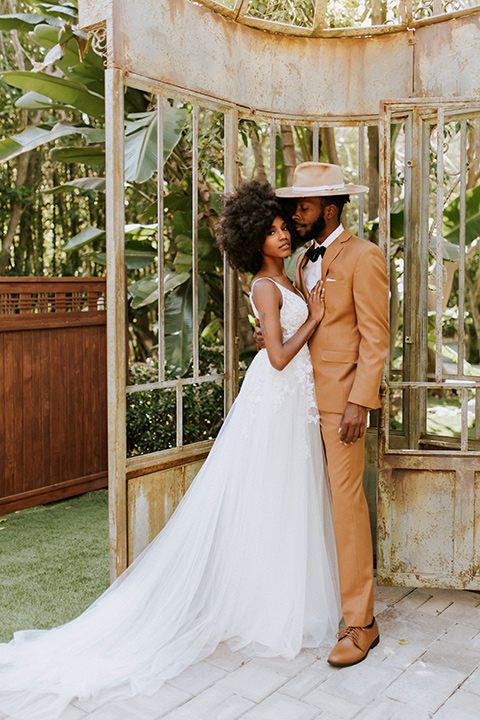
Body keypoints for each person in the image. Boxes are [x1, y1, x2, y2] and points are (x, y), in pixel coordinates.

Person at [0, 180, 341, 720]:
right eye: (273, 230)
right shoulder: (265, 288)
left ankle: (278, 603)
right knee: (267, 494)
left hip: (291, 402)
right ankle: (262, 612)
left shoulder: (293, 280)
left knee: (287, 497)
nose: (282, 234)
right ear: (254, 241)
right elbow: (276, 357)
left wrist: (312, 317)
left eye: (283, 227)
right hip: (275, 397)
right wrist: (316, 320)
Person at [256, 162, 390, 667]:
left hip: (341, 406)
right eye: (292, 207)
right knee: (305, 501)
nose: (294, 215)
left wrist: (360, 400)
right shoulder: (296, 265)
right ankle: (312, 603)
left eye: (303, 207)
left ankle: (361, 623)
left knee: (346, 504)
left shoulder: (365, 257)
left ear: (329, 209)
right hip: (297, 403)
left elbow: (376, 338)